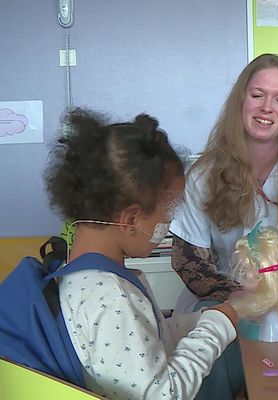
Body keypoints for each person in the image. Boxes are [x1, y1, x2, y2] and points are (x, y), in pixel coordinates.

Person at [44, 109, 239, 400]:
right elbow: (163, 395)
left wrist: (209, 317)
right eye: (168, 211)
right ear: (131, 219)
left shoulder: (81, 272)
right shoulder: (111, 297)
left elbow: (143, 338)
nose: (170, 222)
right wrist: (217, 326)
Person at [169, 53, 278, 311]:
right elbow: (188, 260)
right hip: (223, 302)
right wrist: (239, 297)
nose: (266, 107)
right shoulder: (203, 174)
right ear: (240, 101)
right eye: (257, 95)